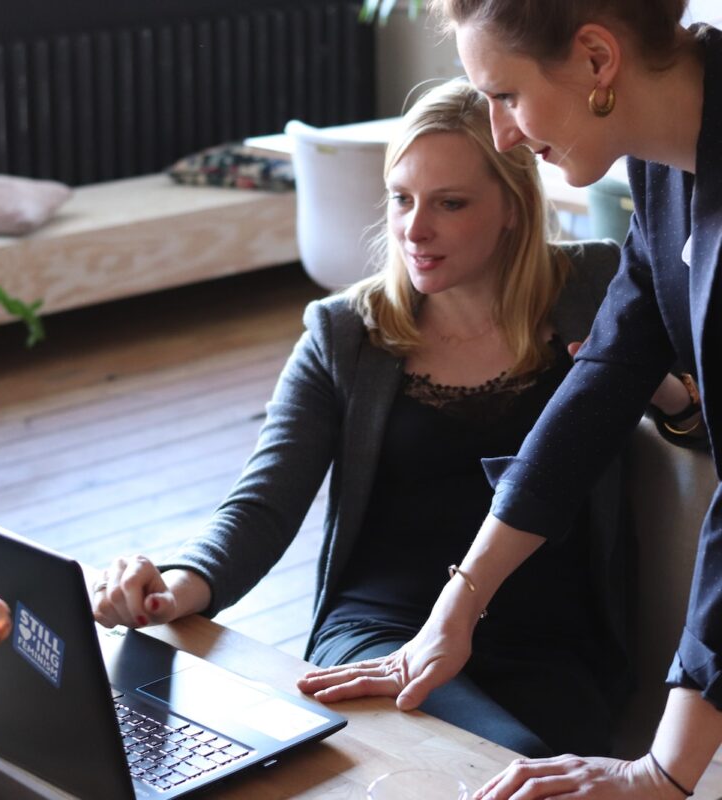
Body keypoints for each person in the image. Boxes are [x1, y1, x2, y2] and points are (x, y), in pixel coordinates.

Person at [92, 80, 681, 759]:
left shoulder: (597, 289)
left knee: (510, 762)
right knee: (483, 762)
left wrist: (656, 389)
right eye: (401, 199)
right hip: (380, 632)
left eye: (449, 203)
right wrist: (174, 587)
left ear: (513, 208)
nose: (413, 228)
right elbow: (262, 504)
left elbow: (694, 423)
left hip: (552, 645)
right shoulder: (346, 333)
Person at [299, 1, 722, 796]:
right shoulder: (666, 167)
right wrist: (455, 610)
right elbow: (601, 382)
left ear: (598, 60)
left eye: (505, 95)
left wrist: (664, 773)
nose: (502, 135)